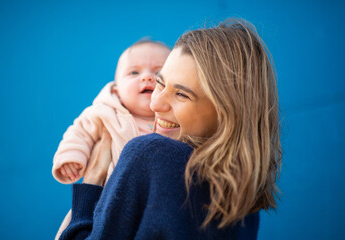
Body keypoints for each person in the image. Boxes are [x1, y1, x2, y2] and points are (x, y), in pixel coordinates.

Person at [59, 18, 282, 240]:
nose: (154, 104)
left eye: (181, 94)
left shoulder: (151, 153)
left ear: (226, 112)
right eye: (161, 83)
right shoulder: (244, 202)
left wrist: (91, 184)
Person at [52, 40, 171, 239]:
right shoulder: (105, 113)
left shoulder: (175, 119)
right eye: (134, 73)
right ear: (116, 90)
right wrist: (72, 156)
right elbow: (80, 131)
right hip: (107, 198)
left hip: (158, 203)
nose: (147, 77)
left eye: (159, 73)